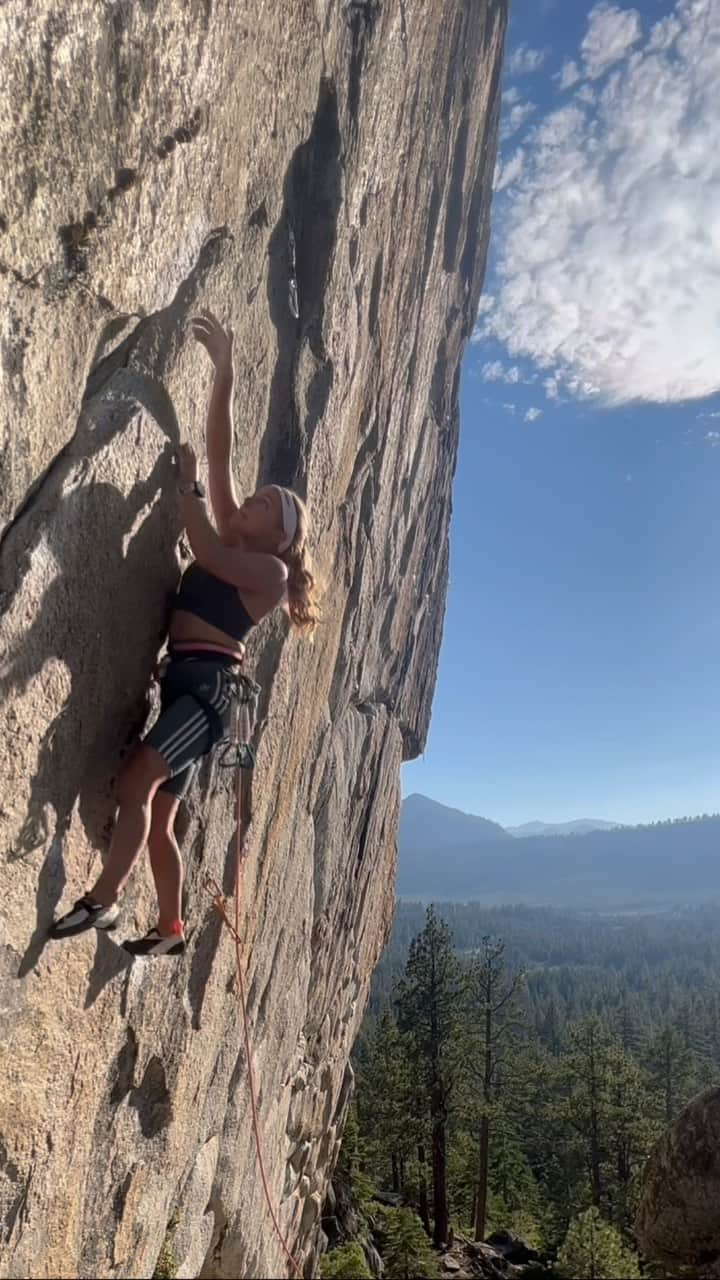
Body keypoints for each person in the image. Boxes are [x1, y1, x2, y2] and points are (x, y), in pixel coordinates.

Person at [49, 312, 320, 957]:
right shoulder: (240, 535)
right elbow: (221, 448)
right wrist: (225, 372)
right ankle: (172, 929)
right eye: (258, 494)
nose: (251, 497)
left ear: (280, 536)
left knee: (135, 785)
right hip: (188, 687)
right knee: (162, 821)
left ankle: (102, 900)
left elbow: (208, 545)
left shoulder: (270, 571)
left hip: (207, 695)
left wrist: (190, 495)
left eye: (266, 502)